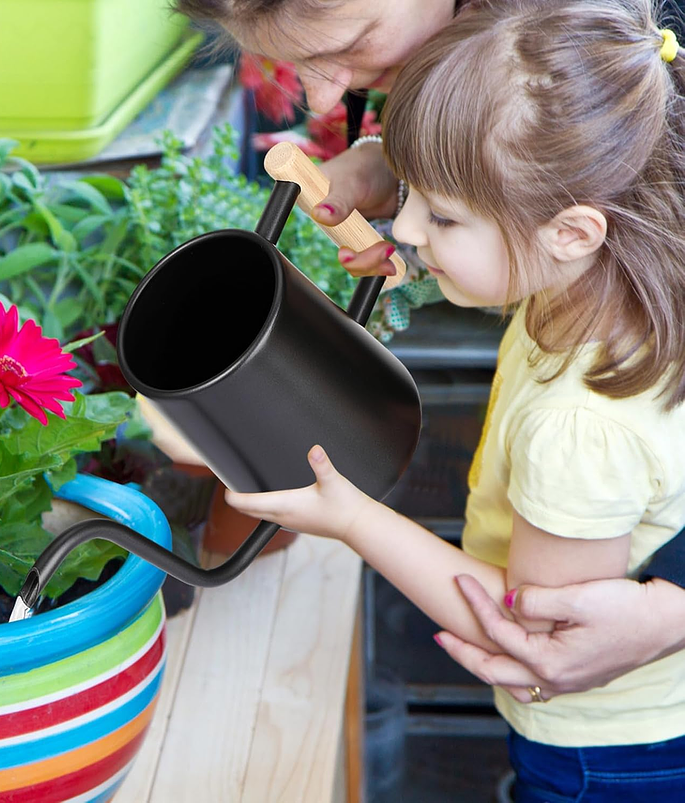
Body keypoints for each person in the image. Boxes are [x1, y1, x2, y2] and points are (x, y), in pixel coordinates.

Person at [224, 1, 685, 796]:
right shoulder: (589, 286)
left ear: (570, 230)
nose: (402, 228)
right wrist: (401, 184)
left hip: (601, 754)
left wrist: (351, 518)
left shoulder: (577, 426)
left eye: (439, 213)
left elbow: (528, 630)